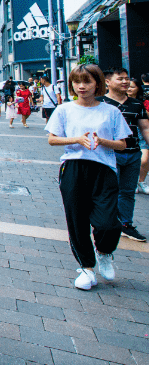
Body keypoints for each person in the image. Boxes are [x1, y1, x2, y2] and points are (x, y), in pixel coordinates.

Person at [46, 64, 131, 289]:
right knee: (77, 220)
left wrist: (102, 141)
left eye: (87, 82)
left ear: (98, 84)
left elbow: (122, 145)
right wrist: (76, 139)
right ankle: (86, 268)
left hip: (103, 170)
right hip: (73, 168)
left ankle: (104, 252)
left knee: (108, 223)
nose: (81, 86)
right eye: (76, 82)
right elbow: (52, 139)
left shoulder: (110, 111)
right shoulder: (64, 109)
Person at [97, 68, 149, 242]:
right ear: (108, 82)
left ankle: (126, 224)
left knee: (127, 192)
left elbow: (145, 128)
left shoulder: (136, 104)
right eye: (121, 79)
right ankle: (105, 222)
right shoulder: (99, 103)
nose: (126, 82)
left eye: (127, 79)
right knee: (108, 190)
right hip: (108, 153)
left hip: (133, 154)